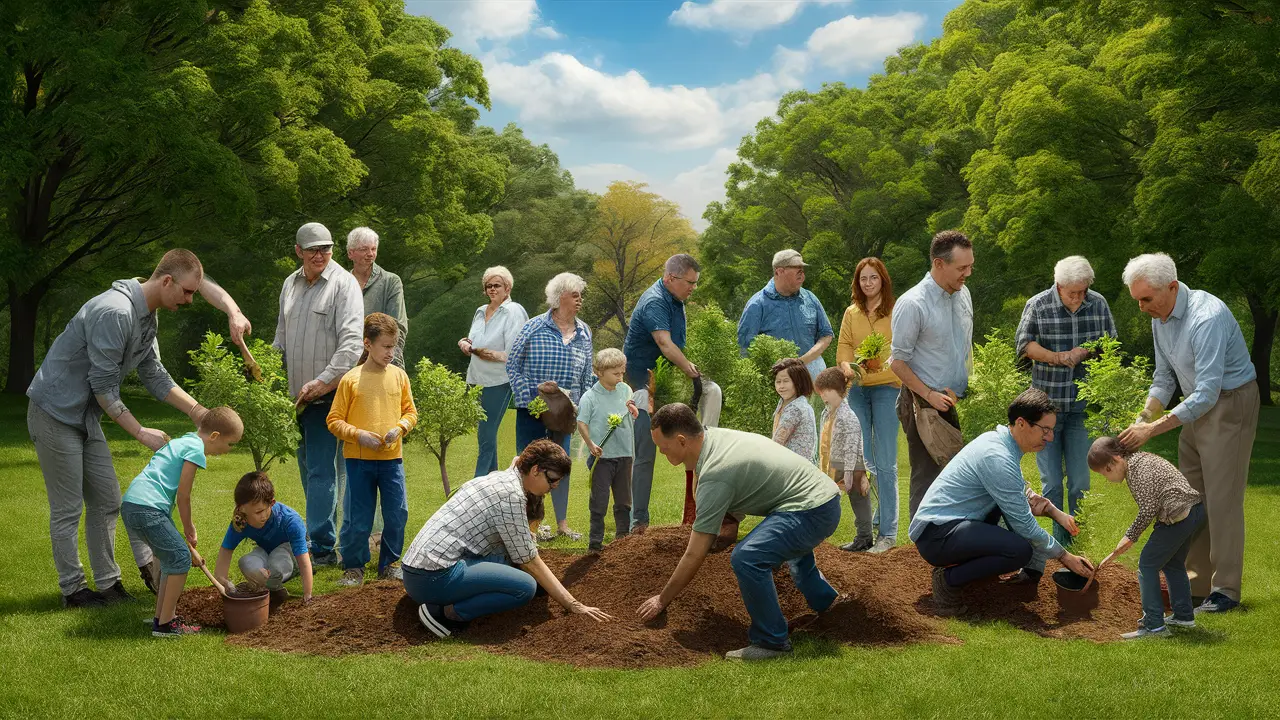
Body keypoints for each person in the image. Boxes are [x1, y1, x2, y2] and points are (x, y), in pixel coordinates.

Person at [27, 249, 251, 607]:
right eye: (188, 292)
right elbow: (102, 386)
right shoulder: (114, 312)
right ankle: (74, 589)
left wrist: (197, 411)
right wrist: (140, 432)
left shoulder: (148, 317)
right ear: (167, 281)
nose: (191, 300)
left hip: (85, 416)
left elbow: (154, 373)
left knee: (107, 500)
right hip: (54, 412)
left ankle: (108, 584)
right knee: (68, 508)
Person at [637, 404, 844, 661]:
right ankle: (831, 606)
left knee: (747, 557)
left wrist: (662, 599)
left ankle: (772, 643)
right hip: (820, 498)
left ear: (681, 440)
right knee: (793, 552)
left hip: (812, 509)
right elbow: (743, 481)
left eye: (662, 447)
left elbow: (694, 553)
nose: (660, 452)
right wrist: (730, 521)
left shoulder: (716, 471)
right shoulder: (713, 437)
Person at [1117, 253, 1258, 614]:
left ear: (1173, 287)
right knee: (1189, 497)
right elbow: (1164, 377)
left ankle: (1225, 591)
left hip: (1228, 403)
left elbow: (1209, 391)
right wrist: (1144, 416)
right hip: (1194, 408)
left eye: (1146, 299)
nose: (1141, 307)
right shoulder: (1160, 318)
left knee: (1222, 500)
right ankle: (1196, 584)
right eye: (1138, 300)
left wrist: (1154, 429)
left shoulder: (1205, 318)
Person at [909, 389, 1095, 616]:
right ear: (1021, 423)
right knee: (1018, 551)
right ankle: (947, 581)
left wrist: (1055, 512)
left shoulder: (999, 443)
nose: (1050, 438)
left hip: (949, 527)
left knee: (1014, 533)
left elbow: (1017, 488)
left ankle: (982, 576)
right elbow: (1024, 525)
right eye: (1044, 430)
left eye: (1051, 430)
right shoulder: (996, 457)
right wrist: (1065, 557)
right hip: (938, 536)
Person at [402, 439, 612, 637]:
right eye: (553, 480)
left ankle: (446, 600)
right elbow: (529, 560)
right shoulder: (510, 496)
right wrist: (573, 604)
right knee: (525, 587)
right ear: (535, 470)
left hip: (420, 569)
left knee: (512, 565)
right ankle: (445, 613)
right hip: (432, 579)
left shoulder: (502, 478)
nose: (554, 487)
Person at [274, 222, 364, 567]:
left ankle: (321, 547)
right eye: (312, 249)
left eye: (325, 249)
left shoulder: (344, 285)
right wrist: (270, 369)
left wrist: (322, 382)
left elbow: (352, 344)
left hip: (330, 394)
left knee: (321, 471)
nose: (320, 255)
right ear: (298, 251)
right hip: (296, 396)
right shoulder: (290, 284)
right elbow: (281, 336)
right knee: (308, 466)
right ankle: (322, 535)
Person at [1015, 256, 1118, 547]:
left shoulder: (1098, 304)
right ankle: (1056, 545)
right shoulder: (1038, 304)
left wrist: (1085, 352)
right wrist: (1058, 357)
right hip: (1046, 409)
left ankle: (1078, 543)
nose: (1077, 297)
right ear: (1058, 285)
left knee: (1080, 484)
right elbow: (1024, 345)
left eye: (1082, 291)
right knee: (1050, 484)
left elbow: (1111, 343)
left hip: (1082, 407)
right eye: (1071, 292)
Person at [119, 407, 243, 637]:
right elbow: (183, 495)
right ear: (214, 436)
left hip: (132, 505)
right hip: (147, 508)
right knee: (179, 559)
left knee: (172, 559)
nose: (228, 451)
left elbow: (164, 501)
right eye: (230, 444)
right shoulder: (196, 449)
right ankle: (167, 624)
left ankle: (160, 618)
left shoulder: (182, 441)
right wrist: (189, 528)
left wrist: (180, 537)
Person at [327, 313, 418, 586]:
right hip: (358, 460)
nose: (392, 352)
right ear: (368, 344)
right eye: (387, 346)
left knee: (397, 513)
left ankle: (389, 564)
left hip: (392, 460)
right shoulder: (351, 380)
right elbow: (333, 420)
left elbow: (411, 413)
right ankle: (354, 568)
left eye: (395, 346)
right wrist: (358, 435)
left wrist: (400, 428)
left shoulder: (400, 377)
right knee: (358, 516)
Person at [890, 230, 974, 521]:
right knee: (927, 478)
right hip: (923, 404)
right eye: (961, 268)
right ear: (939, 264)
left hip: (959, 400)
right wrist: (929, 395)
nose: (968, 273)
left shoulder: (964, 295)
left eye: (970, 266)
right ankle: (918, 553)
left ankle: (954, 542)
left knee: (963, 480)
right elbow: (897, 363)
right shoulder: (913, 303)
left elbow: (965, 348)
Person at [506, 272, 595, 541]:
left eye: (581, 294)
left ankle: (562, 525)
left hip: (565, 413)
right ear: (559, 298)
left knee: (560, 465)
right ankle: (529, 526)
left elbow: (586, 375)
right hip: (533, 409)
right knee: (529, 465)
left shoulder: (584, 331)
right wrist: (531, 395)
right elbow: (513, 365)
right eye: (574, 294)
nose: (580, 299)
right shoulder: (533, 327)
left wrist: (585, 405)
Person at [1087, 437, 1206, 639]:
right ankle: (1184, 615)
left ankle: (1154, 626)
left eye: (1106, 472)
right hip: (1194, 511)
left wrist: (1129, 537)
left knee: (1147, 565)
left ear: (1116, 460)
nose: (1107, 478)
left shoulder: (1137, 471)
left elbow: (1148, 508)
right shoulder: (1140, 460)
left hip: (1178, 516)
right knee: (1173, 563)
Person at [623, 254, 701, 535]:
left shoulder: (676, 300)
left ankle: (694, 517)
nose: (693, 288)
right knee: (645, 451)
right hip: (643, 385)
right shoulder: (655, 300)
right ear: (670, 278)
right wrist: (690, 370)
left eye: (695, 283)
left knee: (693, 443)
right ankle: (638, 523)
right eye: (689, 282)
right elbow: (665, 344)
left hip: (666, 380)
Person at [836, 257, 901, 553]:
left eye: (873, 278)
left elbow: (902, 348)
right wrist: (848, 369)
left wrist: (883, 366)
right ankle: (869, 526)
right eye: (863, 278)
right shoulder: (852, 313)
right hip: (859, 390)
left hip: (888, 388)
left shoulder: (897, 310)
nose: (868, 283)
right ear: (857, 283)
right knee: (864, 459)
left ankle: (887, 534)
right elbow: (844, 349)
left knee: (885, 463)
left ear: (883, 280)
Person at [461, 266, 529, 478]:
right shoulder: (481, 310)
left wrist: (484, 353)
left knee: (486, 434)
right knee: (485, 434)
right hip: (476, 378)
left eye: (497, 285)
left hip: (498, 380)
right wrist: (464, 343)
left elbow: (514, 353)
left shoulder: (514, 311)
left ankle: (477, 481)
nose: (492, 289)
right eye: (488, 286)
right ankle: (491, 482)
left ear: (507, 288)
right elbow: (473, 339)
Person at [214, 471, 314, 605]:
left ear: (272, 503)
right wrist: (222, 580)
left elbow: (303, 560)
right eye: (248, 513)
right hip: (266, 550)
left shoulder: (290, 520)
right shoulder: (241, 521)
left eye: (260, 511)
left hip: (290, 553)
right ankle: (269, 583)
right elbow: (226, 550)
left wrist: (308, 594)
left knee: (277, 561)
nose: (255, 518)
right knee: (245, 562)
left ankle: (272, 585)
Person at [576, 349, 640, 552]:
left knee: (624, 501)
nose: (620, 377)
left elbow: (630, 409)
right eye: (616, 373)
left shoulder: (625, 390)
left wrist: (634, 411)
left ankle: (623, 540)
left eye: (622, 372)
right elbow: (581, 423)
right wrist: (590, 444)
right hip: (602, 458)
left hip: (625, 454)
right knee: (599, 502)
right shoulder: (590, 397)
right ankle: (595, 543)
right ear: (599, 372)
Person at [737, 249, 834, 382]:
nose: (802, 276)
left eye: (803, 271)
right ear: (779, 271)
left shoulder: (810, 298)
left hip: (816, 379)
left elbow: (826, 334)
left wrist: (802, 361)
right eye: (797, 271)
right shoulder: (757, 304)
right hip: (779, 383)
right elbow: (745, 348)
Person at [814, 368, 874, 553]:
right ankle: (816, 534)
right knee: (825, 497)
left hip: (851, 463)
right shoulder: (827, 412)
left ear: (839, 390)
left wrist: (849, 472)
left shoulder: (848, 416)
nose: (823, 395)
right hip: (832, 461)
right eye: (821, 392)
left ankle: (864, 537)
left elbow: (852, 446)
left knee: (858, 497)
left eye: (827, 391)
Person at [347, 227, 408, 368]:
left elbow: (398, 328)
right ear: (351, 253)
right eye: (364, 249)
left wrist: (387, 363)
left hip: (384, 363)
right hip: (346, 364)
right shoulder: (340, 283)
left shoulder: (391, 281)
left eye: (373, 249)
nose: (370, 254)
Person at [771, 358, 816, 462]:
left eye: (786, 381)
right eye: (778, 381)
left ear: (798, 382)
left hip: (794, 469)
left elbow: (777, 442)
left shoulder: (795, 408)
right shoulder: (785, 403)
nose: (781, 386)